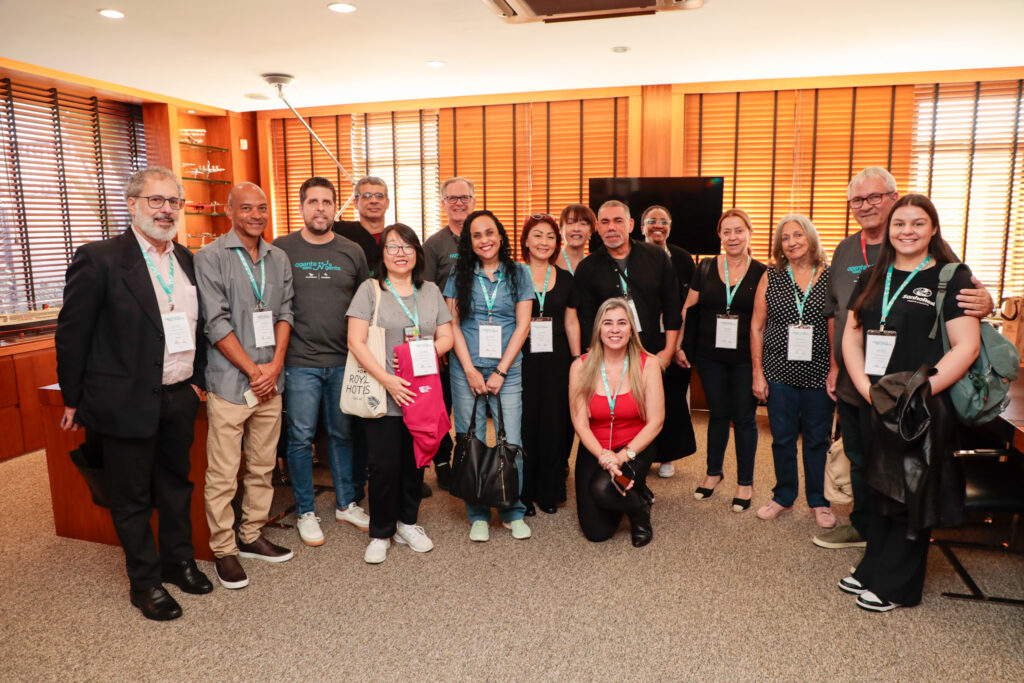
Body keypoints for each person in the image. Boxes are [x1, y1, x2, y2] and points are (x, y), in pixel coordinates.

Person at [55, 166, 211, 621]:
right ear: (132, 204)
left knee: (176, 484)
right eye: (156, 200)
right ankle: (144, 583)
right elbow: (73, 333)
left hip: (179, 394)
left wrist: (197, 378)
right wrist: (72, 397)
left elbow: (198, 327)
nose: (166, 210)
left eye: (173, 202)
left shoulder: (186, 259)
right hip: (123, 400)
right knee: (132, 497)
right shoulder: (100, 258)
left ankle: (177, 561)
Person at [817, 167, 994, 550]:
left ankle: (892, 548)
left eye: (874, 197)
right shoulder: (847, 251)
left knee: (901, 470)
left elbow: (960, 302)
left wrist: (988, 303)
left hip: (910, 390)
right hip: (858, 383)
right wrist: (838, 368)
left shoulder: (933, 257)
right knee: (860, 459)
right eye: (857, 201)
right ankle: (865, 531)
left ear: (894, 199)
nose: (865, 206)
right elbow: (842, 316)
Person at [839, 193, 980, 612]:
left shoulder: (951, 277)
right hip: (876, 397)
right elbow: (851, 333)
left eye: (918, 223)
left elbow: (966, 346)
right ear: (889, 228)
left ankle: (899, 585)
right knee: (879, 481)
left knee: (909, 490)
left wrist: (919, 391)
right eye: (900, 223)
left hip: (920, 402)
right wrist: (865, 386)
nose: (907, 231)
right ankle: (874, 567)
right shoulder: (871, 276)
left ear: (933, 228)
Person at [195, 182, 295, 590]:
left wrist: (274, 366)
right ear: (230, 211)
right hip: (231, 380)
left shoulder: (279, 257)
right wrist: (255, 370)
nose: (256, 215)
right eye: (247, 208)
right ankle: (224, 549)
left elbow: (286, 312)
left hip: (271, 378)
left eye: (262, 208)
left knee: (262, 464)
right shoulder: (210, 257)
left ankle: (251, 535)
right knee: (222, 472)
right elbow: (214, 321)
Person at [347, 223, 454, 563]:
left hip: (420, 390)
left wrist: (424, 355)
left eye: (407, 247)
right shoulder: (370, 290)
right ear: (382, 254)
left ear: (417, 254)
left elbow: (447, 336)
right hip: (383, 390)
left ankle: (408, 522)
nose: (400, 253)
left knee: (415, 462)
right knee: (383, 464)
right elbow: (355, 341)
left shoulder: (430, 291)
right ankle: (381, 531)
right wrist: (389, 379)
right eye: (392, 247)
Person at [273, 177, 370, 547]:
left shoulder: (352, 251)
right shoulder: (282, 249)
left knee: (343, 435)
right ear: (301, 207)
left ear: (335, 208)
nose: (320, 208)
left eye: (327, 202)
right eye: (312, 202)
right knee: (299, 439)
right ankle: (306, 510)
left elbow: (366, 303)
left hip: (345, 359)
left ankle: (346, 503)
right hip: (299, 361)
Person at [443, 209, 533, 541]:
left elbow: (523, 325)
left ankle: (512, 509)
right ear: (469, 241)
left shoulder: (518, 273)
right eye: (477, 235)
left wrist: (499, 370)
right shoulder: (459, 273)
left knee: (512, 440)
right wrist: (468, 369)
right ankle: (478, 512)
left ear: (501, 235)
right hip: (466, 366)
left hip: (506, 369)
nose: (485, 240)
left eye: (490, 233)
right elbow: (451, 324)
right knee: (470, 438)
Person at [676, 209, 767, 512]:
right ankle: (713, 473)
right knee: (716, 414)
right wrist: (679, 346)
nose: (732, 237)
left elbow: (761, 321)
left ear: (749, 232)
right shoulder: (704, 267)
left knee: (743, 418)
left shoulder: (761, 272)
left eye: (738, 230)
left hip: (744, 358)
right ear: (719, 235)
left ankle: (745, 482)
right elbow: (688, 309)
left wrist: (759, 368)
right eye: (726, 231)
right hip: (710, 356)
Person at [750, 214, 836, 526]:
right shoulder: (771, 276)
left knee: (817, 439)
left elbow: (836, 328)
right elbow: (757, 327)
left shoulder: (828, 275)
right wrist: (758, 373)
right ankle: (784, 496)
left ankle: (819, 500)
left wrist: (836, 369)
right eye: (785, 238)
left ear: (810, 238)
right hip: (778, 372)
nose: (791, 242)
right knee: (782, 438)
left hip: (819, 372)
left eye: (797, 235)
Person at [569, 298, 665, 547]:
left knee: (603, 489)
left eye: (622, 323)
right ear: (598, 329)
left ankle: (638, 510)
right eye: (608, 323)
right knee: (596, 532)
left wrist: (620, 458)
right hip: (595, 448)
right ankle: (634, 496)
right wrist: (603, 455)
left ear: (631, 329)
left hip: (634, 447)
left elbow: (656, 422)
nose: (615, 329)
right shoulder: (580, 367)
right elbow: (580, 423)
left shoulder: (649, 364)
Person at [519, 213, 582, 516]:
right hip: (523, 361)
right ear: (526, 241)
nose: (544, 242)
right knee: (526, 425)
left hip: (558, 362)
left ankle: (549, 491)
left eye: (550, 237)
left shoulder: (567, 278)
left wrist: (577, 362)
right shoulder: (514, 275)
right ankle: (524, 491)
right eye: (537, 236)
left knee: (556, 426)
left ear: (557, 243)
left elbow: (571, 322)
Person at [422, 177, 477, 490]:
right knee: (442, 405)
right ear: (443, 203)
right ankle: (443, 461)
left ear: (473, 200)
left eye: (464, 197)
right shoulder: (435, 245)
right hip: (445, 338)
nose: (459, 203)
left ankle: (471, 458)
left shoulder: (484, 235)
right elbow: (427, 295)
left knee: (472, 405)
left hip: (478, 336)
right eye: (452, 198)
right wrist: (435, 344)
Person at [640, 205, 697, 478]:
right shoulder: (634, 256)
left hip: (676, 337)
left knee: (672, 397)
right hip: (642, 337)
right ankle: (641, 452)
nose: (657, 225)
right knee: (640, 399)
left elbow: (689, 303)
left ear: (670, 226)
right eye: (651, 220)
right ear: (641, 227)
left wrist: (678, 345)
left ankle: (667, 455)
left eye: (663, 221)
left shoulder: (684, 258)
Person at [333, 175, 389, 276]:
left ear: (387, 203)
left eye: (379, 196)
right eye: (367, 196)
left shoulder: (396, 238)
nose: (374, 201)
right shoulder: (339, 232)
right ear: (355, 203)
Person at [556, 203, 596, 274]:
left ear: (590, 231)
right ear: (561, 230)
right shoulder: (550, 261)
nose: (576, 229)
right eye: (570, 223)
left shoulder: (594, 266)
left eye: (583, 223)